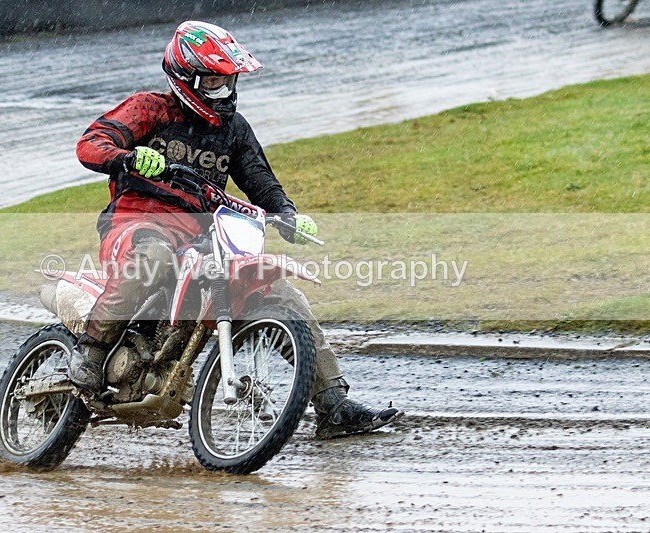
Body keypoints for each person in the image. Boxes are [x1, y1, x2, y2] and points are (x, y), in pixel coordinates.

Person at [69, 20, 402, 439]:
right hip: (137, 222)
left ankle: (332, 404)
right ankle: (93, 349)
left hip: (207, 233)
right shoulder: (148, 108)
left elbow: (260, 179)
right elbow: (91, 142)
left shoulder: (234, 129)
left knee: (280, 293)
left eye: (227, 80)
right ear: (185, 78)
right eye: (211, 81)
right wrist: (128, 158)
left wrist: (286, 213)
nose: (222, 91)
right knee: (152, 259)